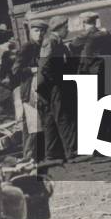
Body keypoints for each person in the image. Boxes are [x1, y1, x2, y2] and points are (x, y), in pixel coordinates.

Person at [38, 15, 77, 161]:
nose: (67, 30)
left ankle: (52, 154)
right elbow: (46, 64)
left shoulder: (55, 40)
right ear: (59, 28)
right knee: (63, 116)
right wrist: (56, 82)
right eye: (66, 28)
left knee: (50, 118)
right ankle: (72, 152)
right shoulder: (51, 41)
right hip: (51, 85)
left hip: (48, 85)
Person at [12, 20, 47, 160]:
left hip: (36, 87)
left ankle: (29, 155)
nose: (39, 34)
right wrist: (33, 69)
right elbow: (15, 70)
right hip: (28, 89)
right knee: (34, 123)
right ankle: (30, 156)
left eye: (41, 31)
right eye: (36, 31)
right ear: (30, 32)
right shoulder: (27, 47)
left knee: (30, 125)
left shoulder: (41, 46)